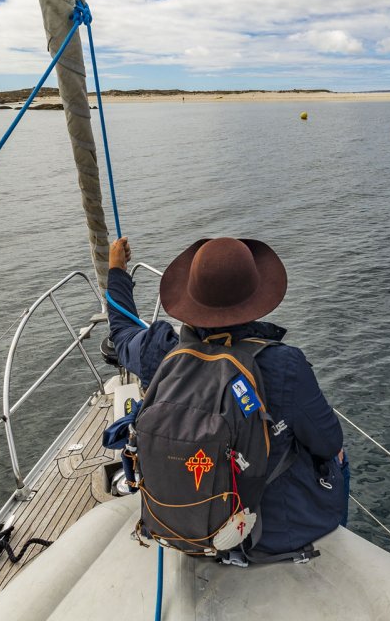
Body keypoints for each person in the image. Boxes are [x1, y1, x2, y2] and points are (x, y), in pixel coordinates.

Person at [106, 235, 347, 557]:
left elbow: (121, 332)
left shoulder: (160, 351)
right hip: (273, 534)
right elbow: (328, 442)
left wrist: (117, 271)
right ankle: (337, 534)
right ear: (256, 295)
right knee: (337, 457)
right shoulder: (283, 364)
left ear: (190, 295)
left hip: (184, 526)